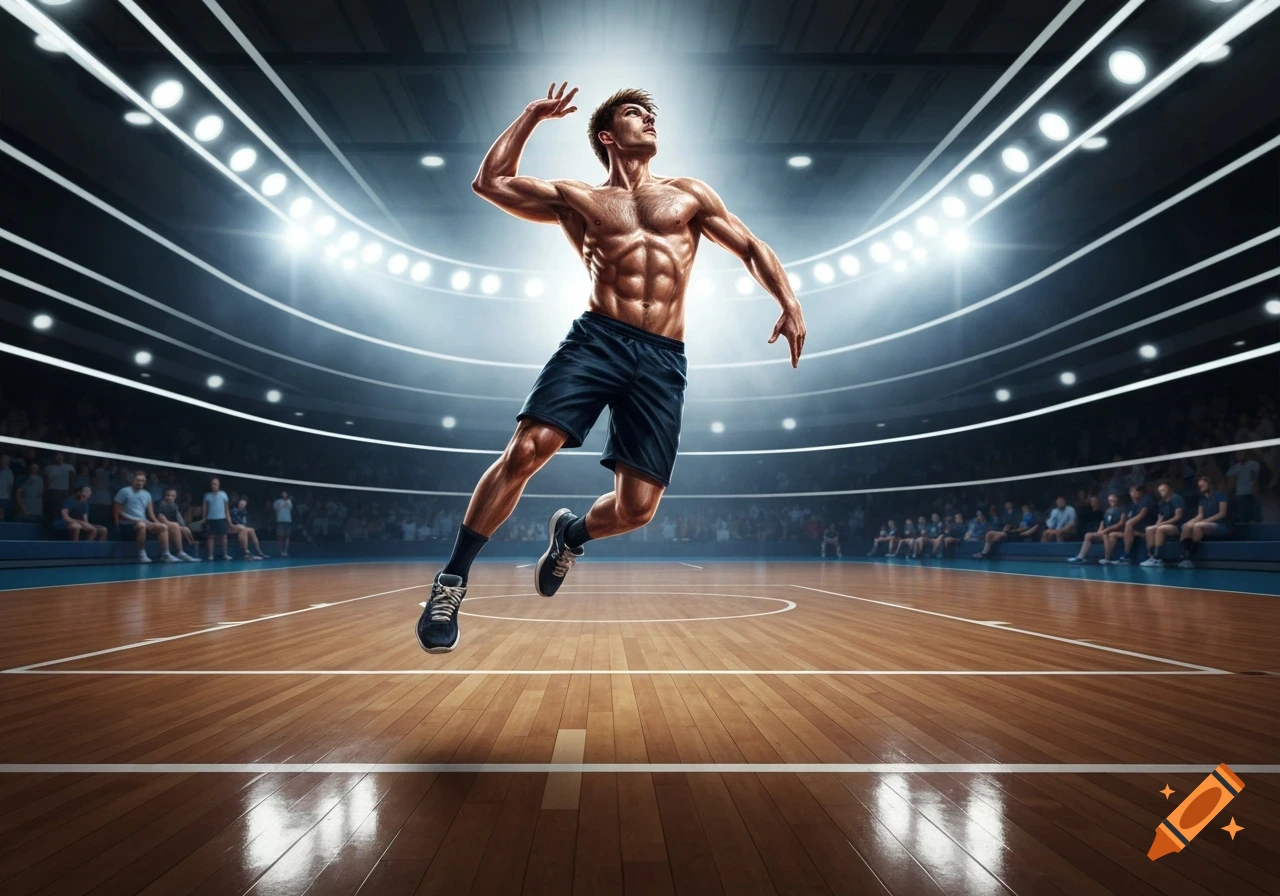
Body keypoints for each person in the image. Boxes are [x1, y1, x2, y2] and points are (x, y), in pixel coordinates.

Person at [416, 83, 807, 653]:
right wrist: (531, 116)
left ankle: (571, 535)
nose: (649, 119)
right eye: (634, 113)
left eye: (651, 114)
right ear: (607, 135)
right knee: (527, 450)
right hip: (598, 339)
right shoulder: (579, 198)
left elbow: (750, 245)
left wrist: (788, 301)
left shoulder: (689, 194)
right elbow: (491, 182)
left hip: (662, 358)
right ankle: (452, 581)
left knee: (636, 510)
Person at [113, 470, 177, 563]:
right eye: (138, 480)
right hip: (127, 524)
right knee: (141, 525)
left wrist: (156, 523)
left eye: (143, 480)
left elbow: (151, 514)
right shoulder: (124, 491)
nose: (140, 482)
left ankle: (166, 554)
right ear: (133, 480)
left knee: (163, 527)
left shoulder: (147, 494)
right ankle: (141, 554)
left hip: (143, 521)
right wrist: (117, 523)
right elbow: (117, 511)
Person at [1177, 476, 1230, 569]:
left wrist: (1203, 521)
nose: (1200, 486)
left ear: (1209, 484)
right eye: (1199, 485)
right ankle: (1185, 557)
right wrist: (1189, 523)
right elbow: (1200, 515)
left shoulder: (1220, 495)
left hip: (1221, 525)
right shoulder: (1202, 501)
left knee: (1198, 526)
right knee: (1186, 526)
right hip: (1206, 524)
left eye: (1203, 484)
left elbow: (1222, 513)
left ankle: (1191, 557)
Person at [1069, 493, 1126, 564]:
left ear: (1117, 499)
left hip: (1115, 532)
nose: (1112, 500)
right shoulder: (1107, 511)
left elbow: (1121, 523)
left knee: (1106, 536)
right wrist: (1100, 530)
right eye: (1110, 499)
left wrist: (1107, 530)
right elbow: (1103, 522)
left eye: (1114, 498)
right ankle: (1080, 557)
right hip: (1105, 532)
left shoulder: (1122, 510)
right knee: (1088, 535)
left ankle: (1107, 559)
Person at [1106, 484, 1155, 565]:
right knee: (1112, 534)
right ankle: (1108, 559)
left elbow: (1141, 515)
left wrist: (1128, 524)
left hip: (1146, 530)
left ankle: (1127, 555)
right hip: (1134, 531)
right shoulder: (1134, 504)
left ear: (1141, 491)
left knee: (1129, 524)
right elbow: (1129, 518)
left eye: (1134, 491)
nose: (1132, 493)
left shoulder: (1147, 500)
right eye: (1130, 491)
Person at [1141, 480, 1186, 567]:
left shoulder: (1176, 498)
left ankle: (1158, 558)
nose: (1161, 492)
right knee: (1149, 529)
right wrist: (1157, 524)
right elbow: (1160, 518)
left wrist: (1161, 524)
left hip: (1179, 526)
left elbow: (1178, 517)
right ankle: (1151, 556)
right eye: (1160, 491)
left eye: (1163, 490)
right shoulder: (1161, 503)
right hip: (1165, 525)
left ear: (1169, 489)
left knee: (1160, 529)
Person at [155, 488, 200, 561]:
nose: (170, 498)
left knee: (184, 529)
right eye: (168, 495)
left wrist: (183, 527)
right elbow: (161, 518)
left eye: (172, 496)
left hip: (173, 528)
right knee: (175, 525)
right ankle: (178, 552)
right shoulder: (160, 504)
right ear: (164, 496)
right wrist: (178, 526)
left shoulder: (175, 506)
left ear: (175, 497)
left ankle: (185, 552)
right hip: (162, 526)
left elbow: (181, 522)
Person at [202, 477, 233, 560]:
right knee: (211, 537)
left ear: (219, 485)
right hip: (211, 519)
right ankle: (210, 555)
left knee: (224, 537)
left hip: (221, 518)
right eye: (212, 484)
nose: (214, 486)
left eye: (215, 484)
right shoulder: (207, 496)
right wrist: (204, 518)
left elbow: (227, 509)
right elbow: (204, 508)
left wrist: (229, 521)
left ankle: (225, 554)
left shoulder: (223, 495)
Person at [273, 490, 294, 557]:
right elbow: (276, 509)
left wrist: (288, 501)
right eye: (283, 493)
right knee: (280, 537)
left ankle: (285, 551)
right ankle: (281, 551)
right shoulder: (277, 501)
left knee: (287, 536)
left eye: (285, 494)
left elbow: (290, 508)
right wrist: (282, 504)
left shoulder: (289, 501)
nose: (284, 495)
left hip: (288, 520)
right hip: (280, 520)